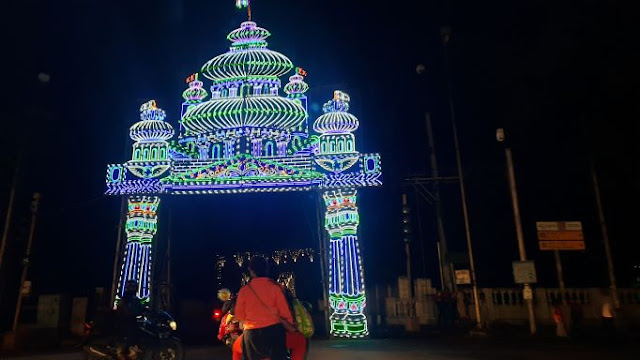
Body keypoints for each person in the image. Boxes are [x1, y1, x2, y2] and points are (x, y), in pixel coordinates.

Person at [234, 257, 294, 360]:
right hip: (274, 332)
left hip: (252, 335)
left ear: (251, 271)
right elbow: (284, 311)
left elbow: (239, 315)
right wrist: (290, 325)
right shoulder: (275, 288)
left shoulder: (245, 290)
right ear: (266, 270)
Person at [116, 280, 147, 360]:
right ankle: (123, 353)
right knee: (131, 334)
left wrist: (148, 311)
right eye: (131, 287)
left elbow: (141, 307)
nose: (133, 289)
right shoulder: (125, 298)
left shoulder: (135, 299)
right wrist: (130, 313)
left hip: (132, 319)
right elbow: (123, 308)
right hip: (126, 320)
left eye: (134, 287)